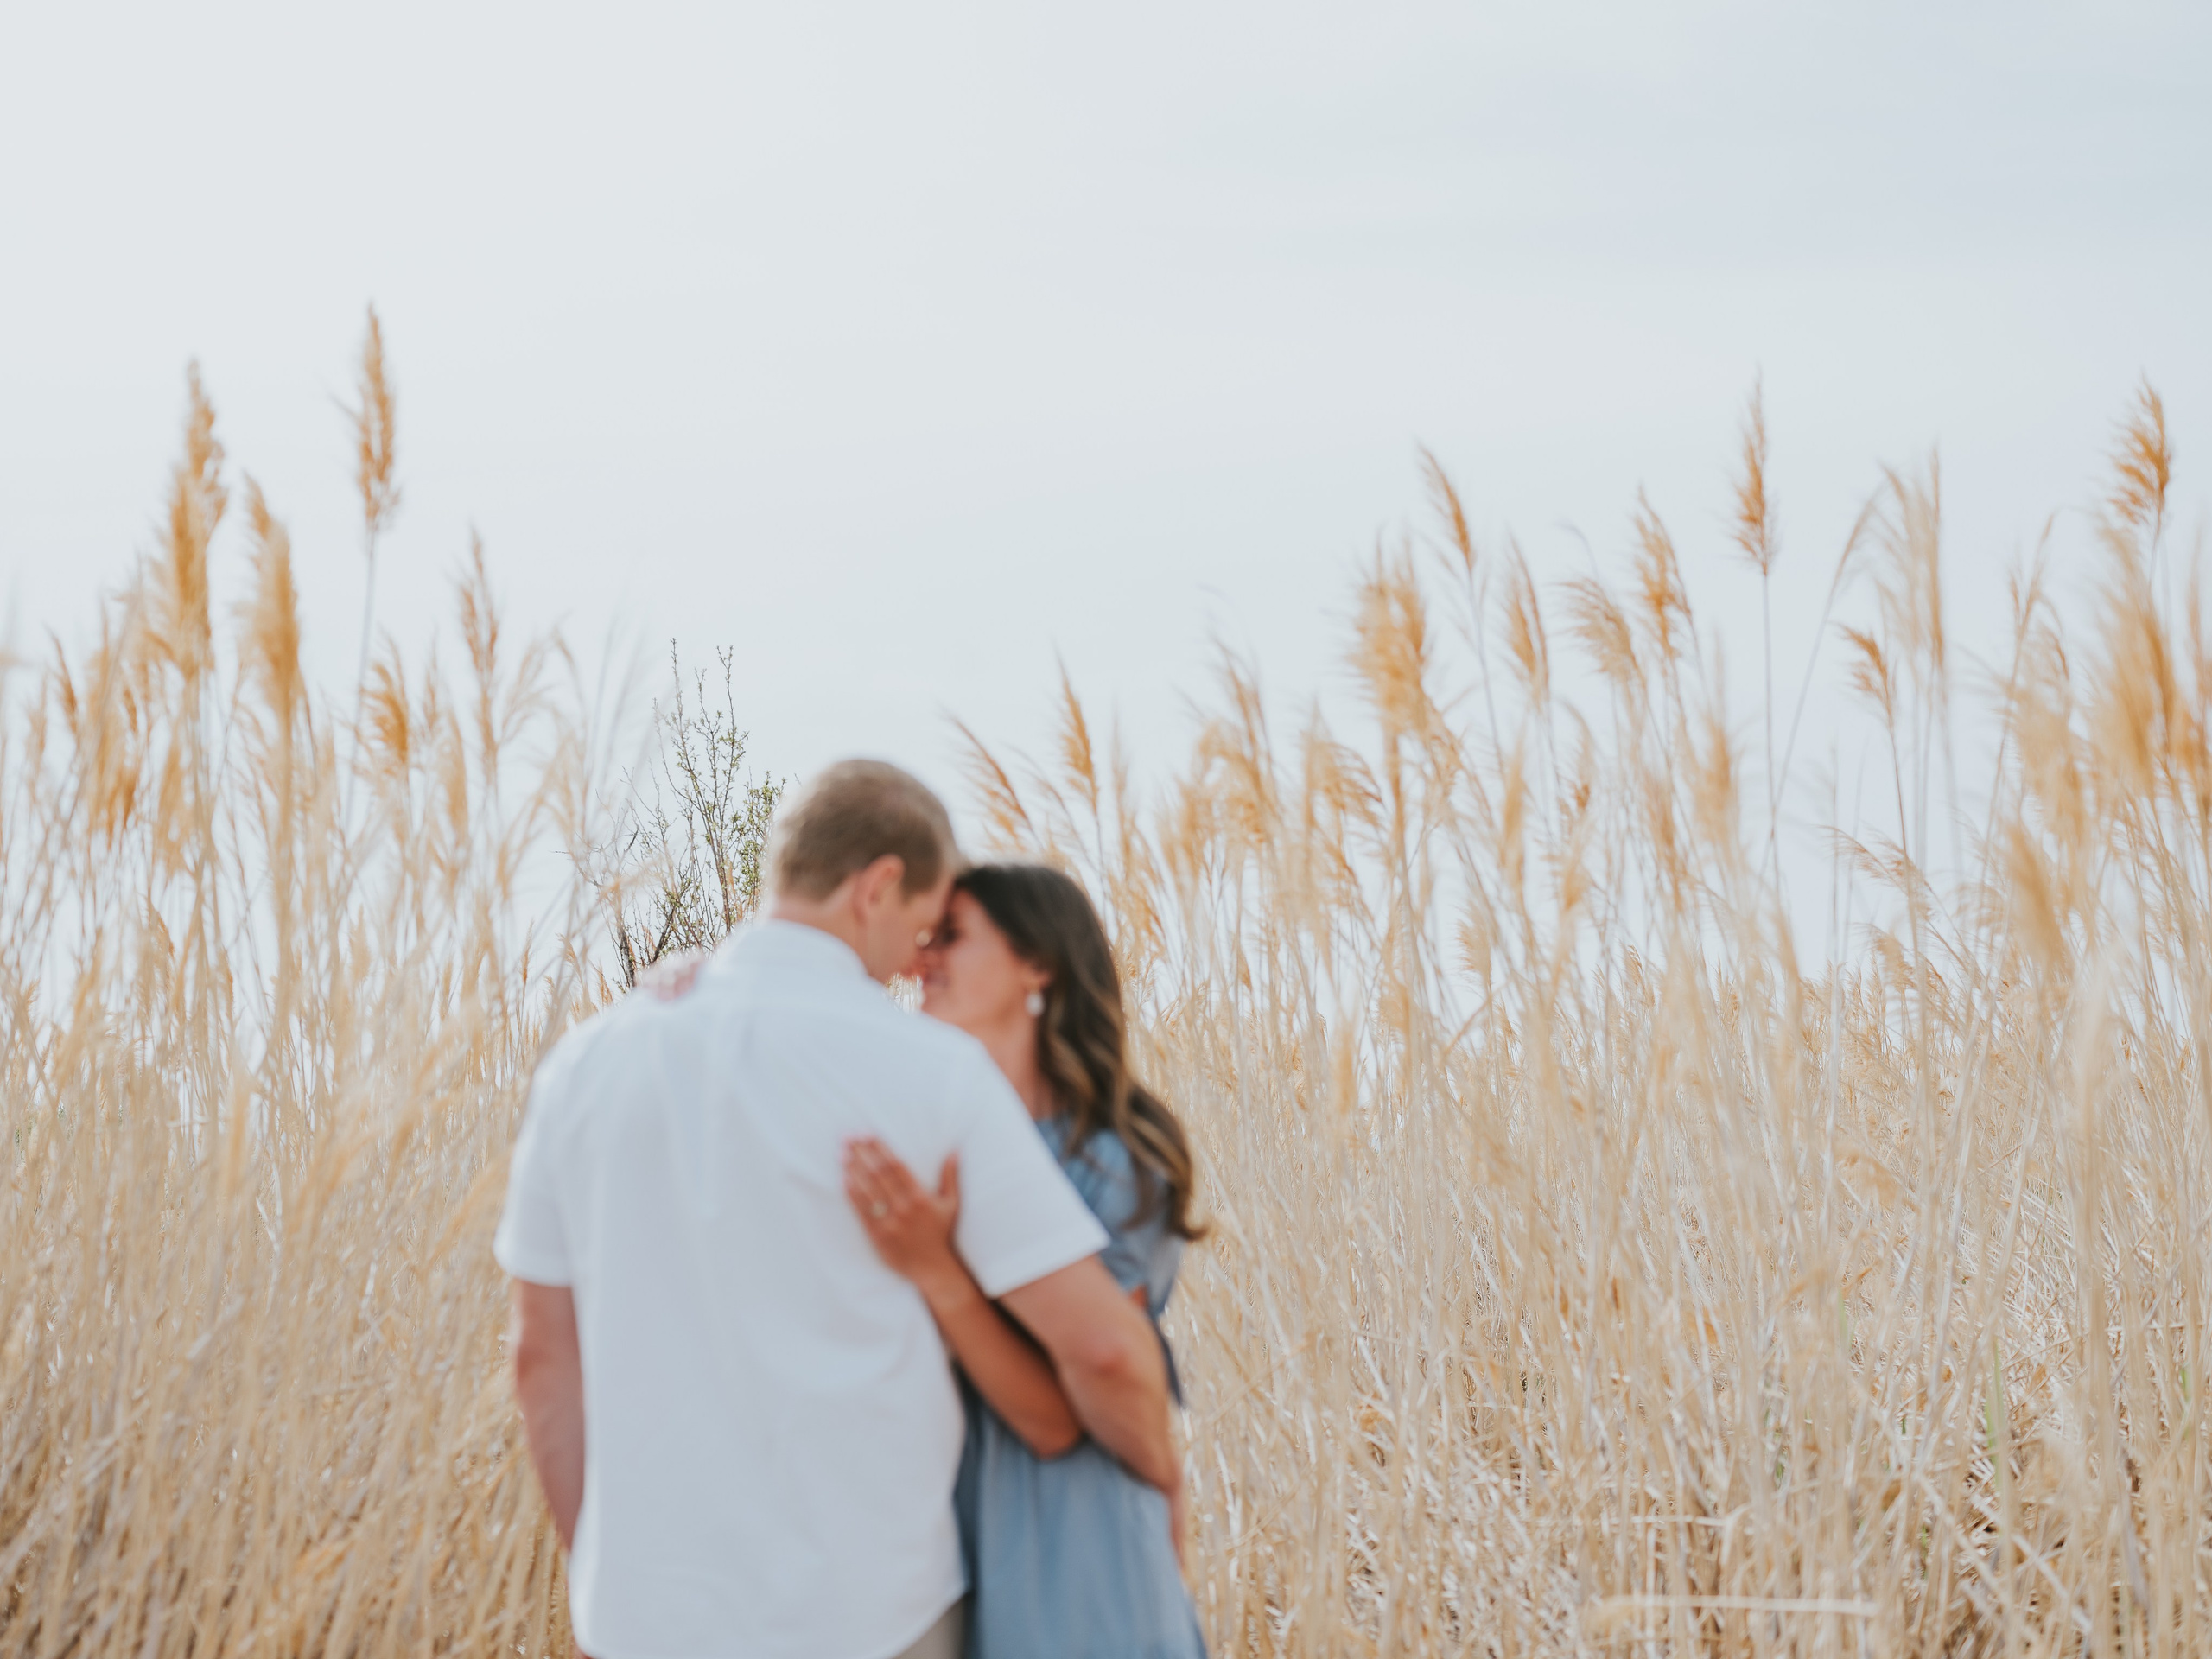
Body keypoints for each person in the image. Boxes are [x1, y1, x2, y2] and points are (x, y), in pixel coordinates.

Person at [495, 761, 1176, 1659]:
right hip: (874, 1616)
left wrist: (609, 1585)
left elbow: (542, 1355)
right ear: (879, 886)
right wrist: (1163, 1472)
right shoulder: (931, 1073)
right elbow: (1099, 1347)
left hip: (646, 1624)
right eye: (924, 926)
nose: (914, 962)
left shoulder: (583, 1066)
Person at [837, 862, 1208, 1659]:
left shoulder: (1109, 1162)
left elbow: (1083, 1394)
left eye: (954, 937)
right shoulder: (935, 1143)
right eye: (924, 940)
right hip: (942, 1532)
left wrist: (939, 1271)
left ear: (1037, 964)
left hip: (1068, 1527)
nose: (924, 960)